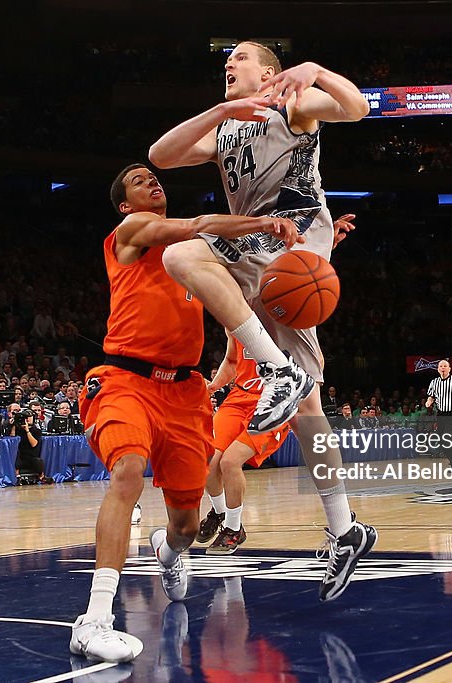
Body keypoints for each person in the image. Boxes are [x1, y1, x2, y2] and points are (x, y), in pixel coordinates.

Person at [150, 41, 376, 601]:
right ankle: (346, 528)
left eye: (242, 57)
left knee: (181, 254)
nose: (229, 63)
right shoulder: (227, 126)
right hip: (253, 250)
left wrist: (317, 70)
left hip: (290, 246)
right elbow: (161, 155)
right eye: (227, 60)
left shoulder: (293, 103)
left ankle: (277, 371)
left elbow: (358, 109)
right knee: (308, 407)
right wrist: (222, 111)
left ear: (270, 72)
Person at [69, 163, 299, 664]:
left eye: (155, 177)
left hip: (186, 393)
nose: (153, 181)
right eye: (137, 180)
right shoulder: (129, 231)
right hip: (125, 378)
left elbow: (246, 271)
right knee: (127, 469)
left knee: (187, 528)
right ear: (125, 204)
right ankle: (94, 621)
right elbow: (197, 224)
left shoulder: (195, 259)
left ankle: (168, 553)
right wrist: (262, 222)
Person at [198, 335, 291, 555]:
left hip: (274, 400)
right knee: (207, 458)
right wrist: (213, 386)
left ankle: (233, 528)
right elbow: (232, 361)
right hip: (239, 396)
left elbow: (314, 363)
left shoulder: (287, 316)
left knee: (230, 462)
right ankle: (221, 512)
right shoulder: (234, 312)